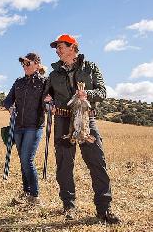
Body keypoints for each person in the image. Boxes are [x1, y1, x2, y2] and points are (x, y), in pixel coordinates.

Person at [44, 34, 120, 223]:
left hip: (87, 119)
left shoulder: (91, 67)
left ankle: (104, 209)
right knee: (64, 165)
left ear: (73, 47)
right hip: (62, 120)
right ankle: (68, 206)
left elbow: (102, 93)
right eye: (57, 48)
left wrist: (87, 93)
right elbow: (46, 97)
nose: (57, 50)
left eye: (61, 46)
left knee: (97, 162)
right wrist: (48, 102)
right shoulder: (53, 74)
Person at [3, 53, 47, 205]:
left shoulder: (44, 83)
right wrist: (10, 108)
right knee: (23, 160)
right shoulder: (18, 82)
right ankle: (26, 192)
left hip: (34, 126)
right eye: (23, 64)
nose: (24, 66)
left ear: (37, 64)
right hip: (18, 126)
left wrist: (49, 102)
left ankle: (35, 196)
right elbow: (8, 100)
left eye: (27, 63)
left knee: (27, 159)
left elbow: (48, 103)